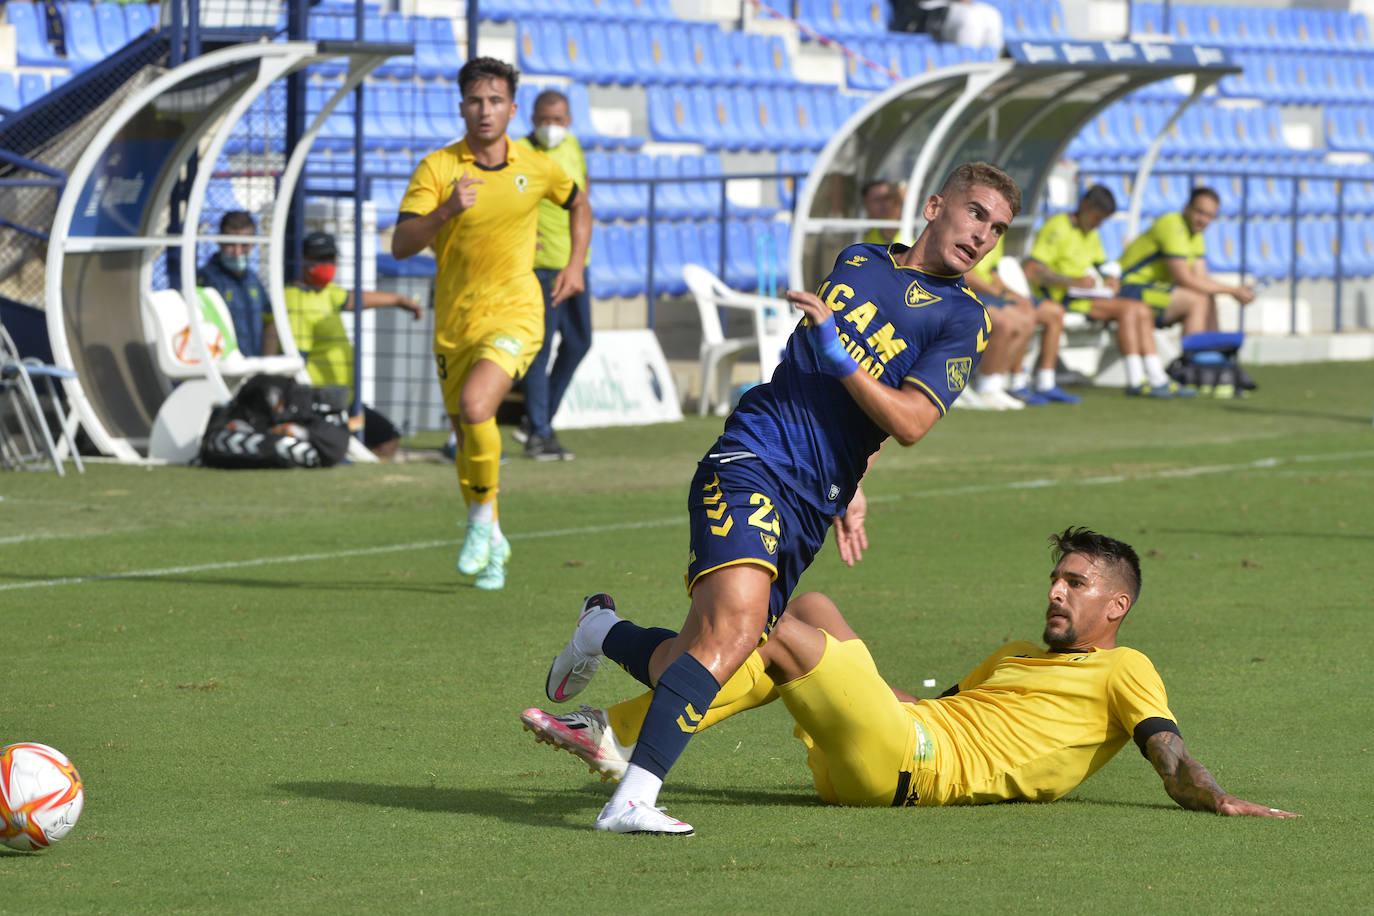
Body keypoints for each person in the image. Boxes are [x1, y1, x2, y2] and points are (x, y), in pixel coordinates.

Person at [538, 162, 1017, 835]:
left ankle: (600, 629)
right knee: (734, 631)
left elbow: (906, 421)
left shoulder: (965, 318)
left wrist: (854, 484)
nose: (984, 234)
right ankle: (632, 799)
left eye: (997, 228)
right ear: (936, 206)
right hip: (751, 459)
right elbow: (825, 381)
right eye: (976, 214)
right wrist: (836, 357)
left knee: (703, 654)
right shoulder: (859, 258)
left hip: (811, 504)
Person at [522, 527, 1299, 821]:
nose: (1055, 592)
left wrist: (1214, 796)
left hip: (909, 768)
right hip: (890, 743)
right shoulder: (1015, 656)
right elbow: (930, 705)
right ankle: (613, 717)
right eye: (1056, 579)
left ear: (1118, 604)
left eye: (1076, 583)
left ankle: (611, 675)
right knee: (814, 609)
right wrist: (850, 680)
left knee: (768, 629)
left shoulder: (1125, 667)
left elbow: (1167, 754)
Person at [391, 57, 591, 591]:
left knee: (480, 407)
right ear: (462, 107)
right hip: (455, 319)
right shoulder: (439, 169)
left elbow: (579, 203)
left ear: (511, 108)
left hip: (518, 311)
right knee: (465, 434)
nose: (485, 111)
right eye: (476, 101)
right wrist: (444, 212)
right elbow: (401, 243)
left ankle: (479, 523)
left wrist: (574, 265)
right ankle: (495, 538)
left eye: (496, 101)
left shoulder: (537, 165)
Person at [262, 231, 423, 461]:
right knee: (345, 453)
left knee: (387, 438)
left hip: (344, 400)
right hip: (319, 405)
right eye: (319, 259)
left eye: (330, 259)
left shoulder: (327, 293)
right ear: (302, 259)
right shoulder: (294, 300)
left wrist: (398, 300)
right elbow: (297, 363)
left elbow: (353, 298)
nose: (326, 265)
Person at [1022, 185, 1190, 398]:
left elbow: (1101, 264)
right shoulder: (1057, 227)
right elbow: (1032, 270)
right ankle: (1136, 380)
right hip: (1062, 298)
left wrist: (1110, 278)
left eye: (1102, 220)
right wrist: (1072, 282)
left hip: (1085, 297)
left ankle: (1157, 377)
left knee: (1142, 310)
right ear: (1084, 206)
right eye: (1096, 217)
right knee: (1130, 311)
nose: (1098, 224)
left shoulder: (1090, 233)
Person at [513, 88, 593, 462]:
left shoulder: (572, 146)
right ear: (532, 120)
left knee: (579, 343)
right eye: (544, 121)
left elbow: (583, 193)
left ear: (569, 121)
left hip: (576, 263)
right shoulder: (518, 152)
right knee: (540, 348)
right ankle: (540, 433)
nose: (551, 128)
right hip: (541, 267)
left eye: (557, 121)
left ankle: (536, 421)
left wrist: (580, 252)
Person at [1118, 186, 1255, 337]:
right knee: (1195, 301)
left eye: (1209, 216)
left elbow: (1201, 279)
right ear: (1186, 208)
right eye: (1200, 212)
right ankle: (1193, 358)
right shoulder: (1172, 225)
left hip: (1153, 289)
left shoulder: (1196, 235)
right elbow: (1184, 278)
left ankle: (1214, 354)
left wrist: (1233, 291)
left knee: (1208, 296)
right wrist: (1233, 290)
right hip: (1128, 289)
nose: (1203, 220)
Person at [965, 233, 1080, 405]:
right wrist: (1001, 294)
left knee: (1044, 311)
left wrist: (1015, 295)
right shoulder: (972, 231)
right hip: (966, 292)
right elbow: (965, 273)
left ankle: (1035, 383)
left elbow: (992, 274)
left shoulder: (998, 231)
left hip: (988, 292)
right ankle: (988, 385)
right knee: (1010, 320)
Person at [197, 210, 270, 357]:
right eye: (231, 244)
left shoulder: (253, 279)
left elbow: (270, 321)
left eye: (245, 245)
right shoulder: (205, 280)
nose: (238, 252)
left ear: (254, 244)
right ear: (219, 241)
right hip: (220, 367)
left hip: (252, 366)